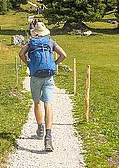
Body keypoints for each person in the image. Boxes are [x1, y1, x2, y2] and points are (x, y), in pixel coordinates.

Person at [18, 20, 67, 152]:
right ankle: (48, 136)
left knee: (37, 102)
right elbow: (64, 55)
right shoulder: (51, 42)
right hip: (48, 76)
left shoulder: (30, 43)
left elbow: (21, 54)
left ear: (35, 33)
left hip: (35, 77)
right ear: (45, 32)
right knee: (48, 105)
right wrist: (55, 63)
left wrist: (28, 63)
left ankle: (40, 127)